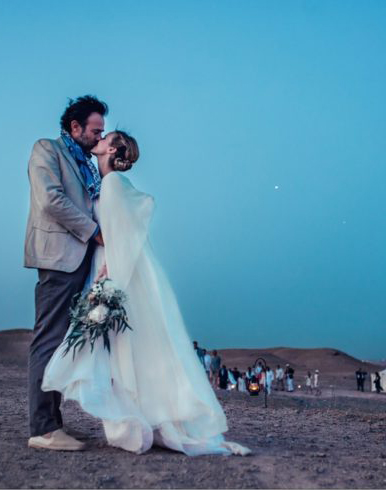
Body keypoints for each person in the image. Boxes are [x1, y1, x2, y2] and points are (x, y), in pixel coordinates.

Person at [41, 129, 249, 456]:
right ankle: (139, 419)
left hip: (115, 270)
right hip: (114, 267)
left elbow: (116, 234)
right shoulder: (110, 184)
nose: (99, 137)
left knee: (122, 349)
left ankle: (137, 420)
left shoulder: (112, 185)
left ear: (112, 149)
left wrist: (106, 279)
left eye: (104, 136)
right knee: (122, 349)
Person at [25, 95, 108, 452]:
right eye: (95, 130)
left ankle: (54, 423)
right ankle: (43, 428)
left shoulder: (87, 165)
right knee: (49, 341)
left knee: (63, 342)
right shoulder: (47, 150)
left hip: (83, 264)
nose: (99, 136)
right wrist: (93, 231)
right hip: (58, 259)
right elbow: (51, 200)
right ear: (75, 127)